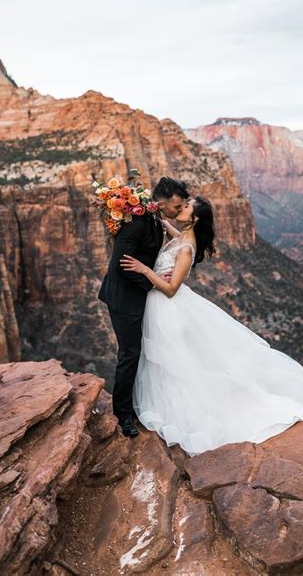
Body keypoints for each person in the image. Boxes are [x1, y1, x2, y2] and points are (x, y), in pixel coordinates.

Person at [119, 196, 303, 457]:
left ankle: (186, 413)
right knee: (171, 361)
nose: (180, 208)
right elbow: (174, 234)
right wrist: (152, 213)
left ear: (195, 219)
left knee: (177, 362)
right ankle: (172, 407)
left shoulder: (186, 248)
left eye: (186, 207)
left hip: (169, 310)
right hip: (161, 309)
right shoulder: (182, 237)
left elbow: (170, 289)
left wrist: (145, 270)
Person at [98, 176, 189, 436]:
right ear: (161, 203)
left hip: (140, 296)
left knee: (144, 353)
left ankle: (140, 405)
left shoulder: (153, 218)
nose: (179, 211)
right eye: (176, 206)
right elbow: (121, 265)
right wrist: (154, 282)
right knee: (130, 354)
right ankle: (123, 415)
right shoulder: (137, 222)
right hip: (124, 298)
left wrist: (160, 275)